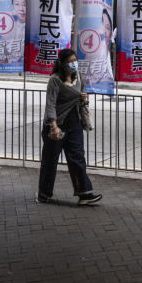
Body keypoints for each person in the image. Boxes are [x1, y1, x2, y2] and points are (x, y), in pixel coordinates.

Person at [37, 48, 101, 205]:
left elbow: (81, 98)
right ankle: (44, 194)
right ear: (62, 64)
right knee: (50, 161)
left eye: (75, 60)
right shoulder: (54, 80)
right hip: (56, 126)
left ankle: (85, 194)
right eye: (70, 62)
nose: (74, 64)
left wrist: (83, 99)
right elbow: (50, 105)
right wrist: (54, 126)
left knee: (77, 158)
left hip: (74, 123)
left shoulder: (78, 77)